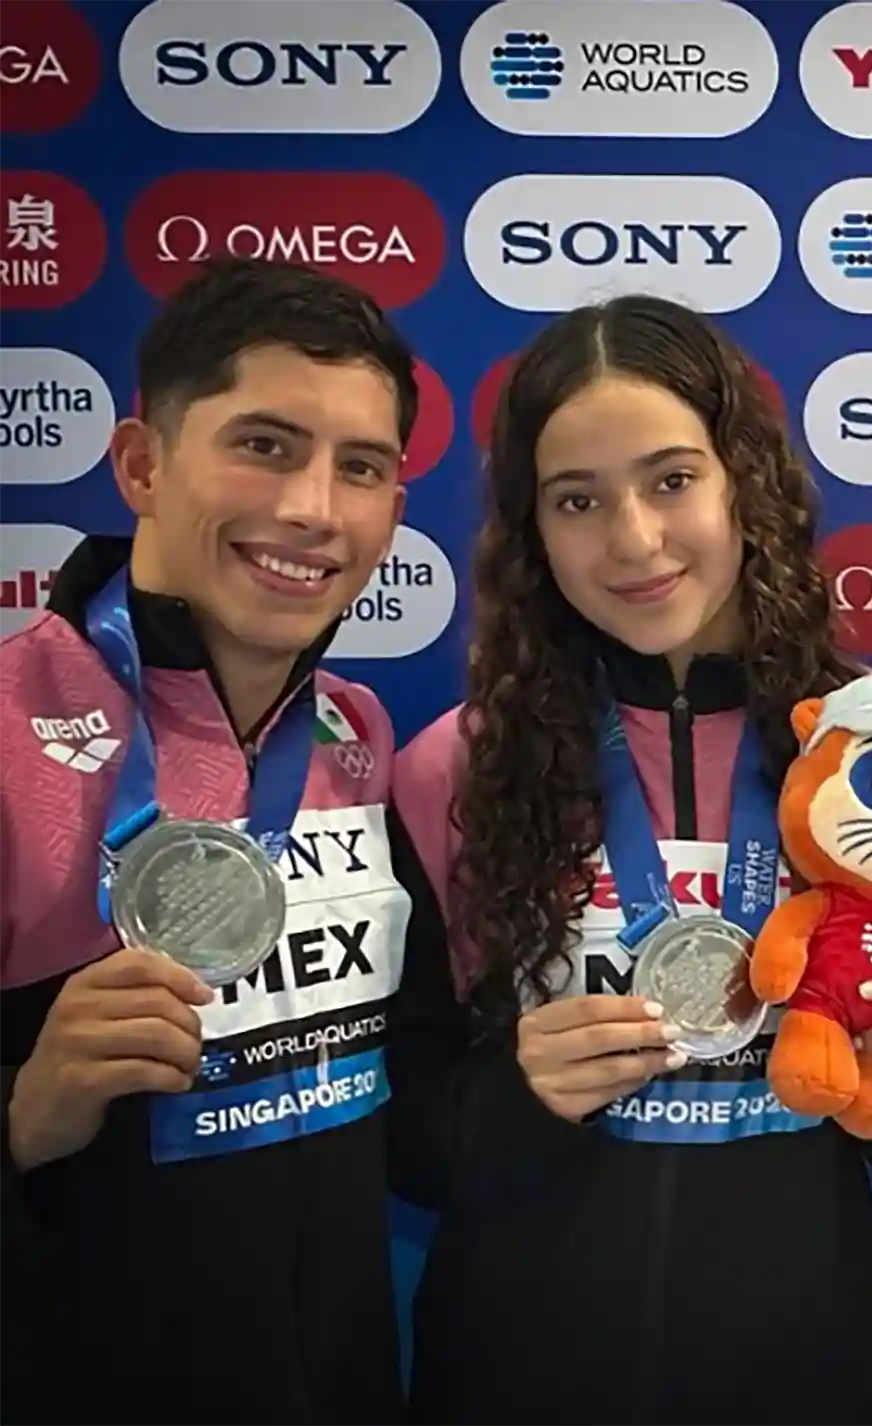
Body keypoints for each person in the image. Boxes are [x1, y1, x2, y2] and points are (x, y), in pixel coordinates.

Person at [385, 295, 872, 1421]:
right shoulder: (450, 771)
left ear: (742, 482)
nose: (635, 539)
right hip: (517, 1374)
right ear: (532, 532)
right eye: (578, 500)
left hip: (812, 1372)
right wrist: (511, 1096)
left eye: (670, 479)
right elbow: (401, 1144)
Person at [0, 257, 419, 1422]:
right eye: (266, 445)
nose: (313, 509)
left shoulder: (359, 734)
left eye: (363, 468)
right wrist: (20, 1115)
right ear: (140, 463)